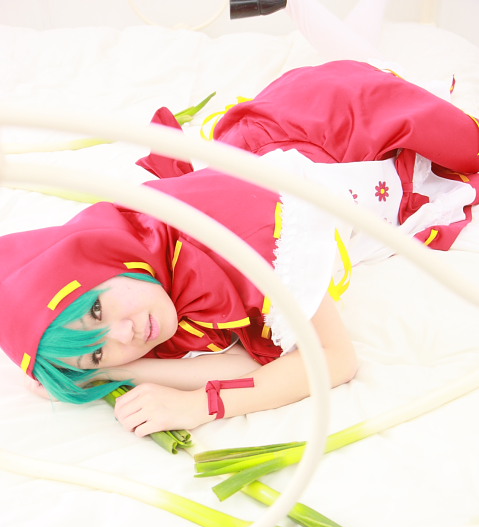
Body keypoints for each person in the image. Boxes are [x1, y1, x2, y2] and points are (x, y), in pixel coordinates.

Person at [1, 60, 478, 435]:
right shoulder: (145, 288)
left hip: (339, 127)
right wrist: (106, 374)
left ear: (99, 262)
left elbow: (332, 358)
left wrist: (203, 406)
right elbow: (255, 358)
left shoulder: (254, 238)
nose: (125, 336)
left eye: (97, 311)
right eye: (97, 353)